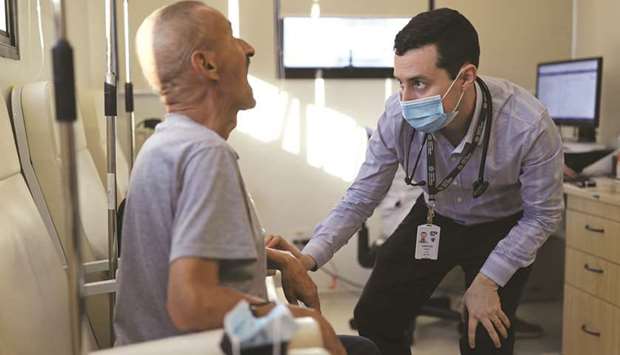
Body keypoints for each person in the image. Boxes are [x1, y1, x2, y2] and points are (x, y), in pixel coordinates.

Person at [268, 8, 564, 355]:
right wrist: (309, 257)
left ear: (466, 77)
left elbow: (542, 216)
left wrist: (488, 280)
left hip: (502, 226)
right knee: (374, 315)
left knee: (485, 335)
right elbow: (363, 194)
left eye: (419, 83)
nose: (405, 100)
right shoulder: (397, 115)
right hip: (436, 216)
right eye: (401, 83)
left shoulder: (528, 125)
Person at [112, 2, 379, 355]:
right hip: (195, 345)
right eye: (231, 37)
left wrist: (280, 259)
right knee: (355, 347)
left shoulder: (165, 142)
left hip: (159, 341)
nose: (249, 48)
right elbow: (192, 303)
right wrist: (304, 322)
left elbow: (183, 257)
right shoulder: (205, 153)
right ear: (206, 64)